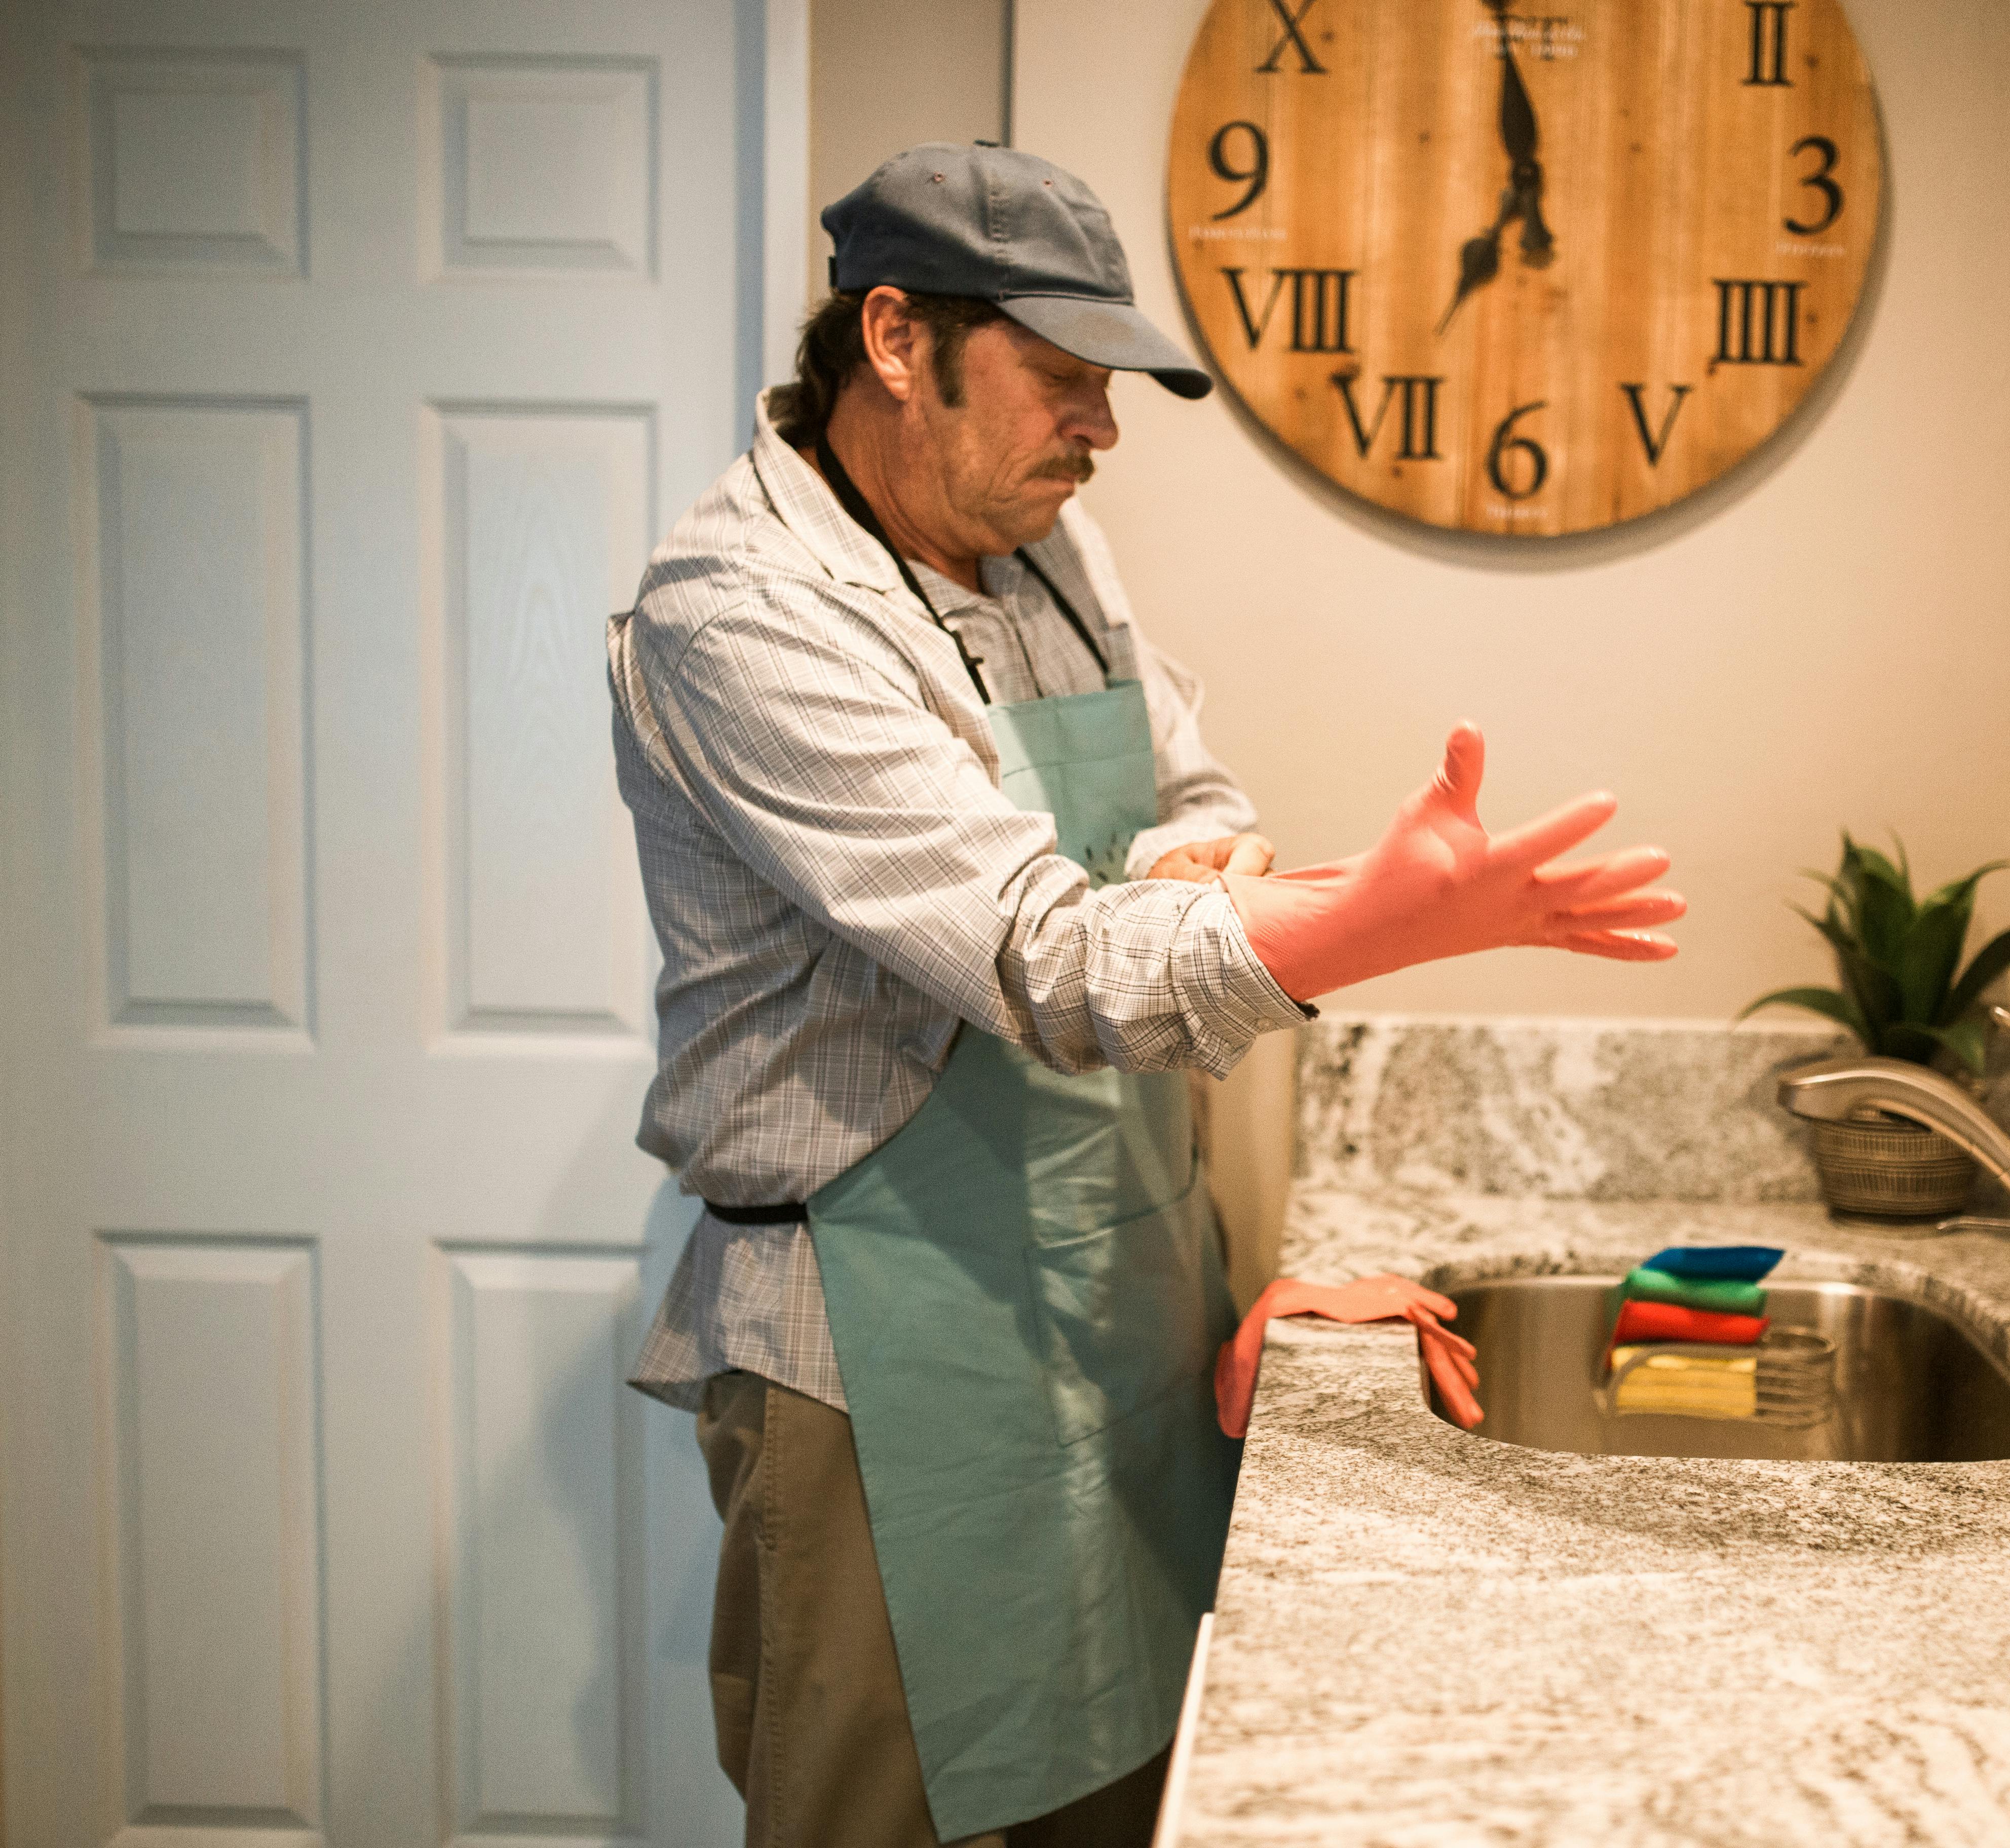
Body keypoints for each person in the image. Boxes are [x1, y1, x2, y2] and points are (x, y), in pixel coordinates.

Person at [608, 142, 1683, 1848]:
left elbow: (1194, 809)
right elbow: (1048, 961)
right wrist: (1367, 923)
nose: (1099, 431)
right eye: (1060, 379)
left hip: (1115, 1297)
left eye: (1105, 386)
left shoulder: (1042, 547)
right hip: (882, 1352)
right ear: (895, 339)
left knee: (1121, 1800)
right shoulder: (742, 610)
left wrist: (1253, 881)